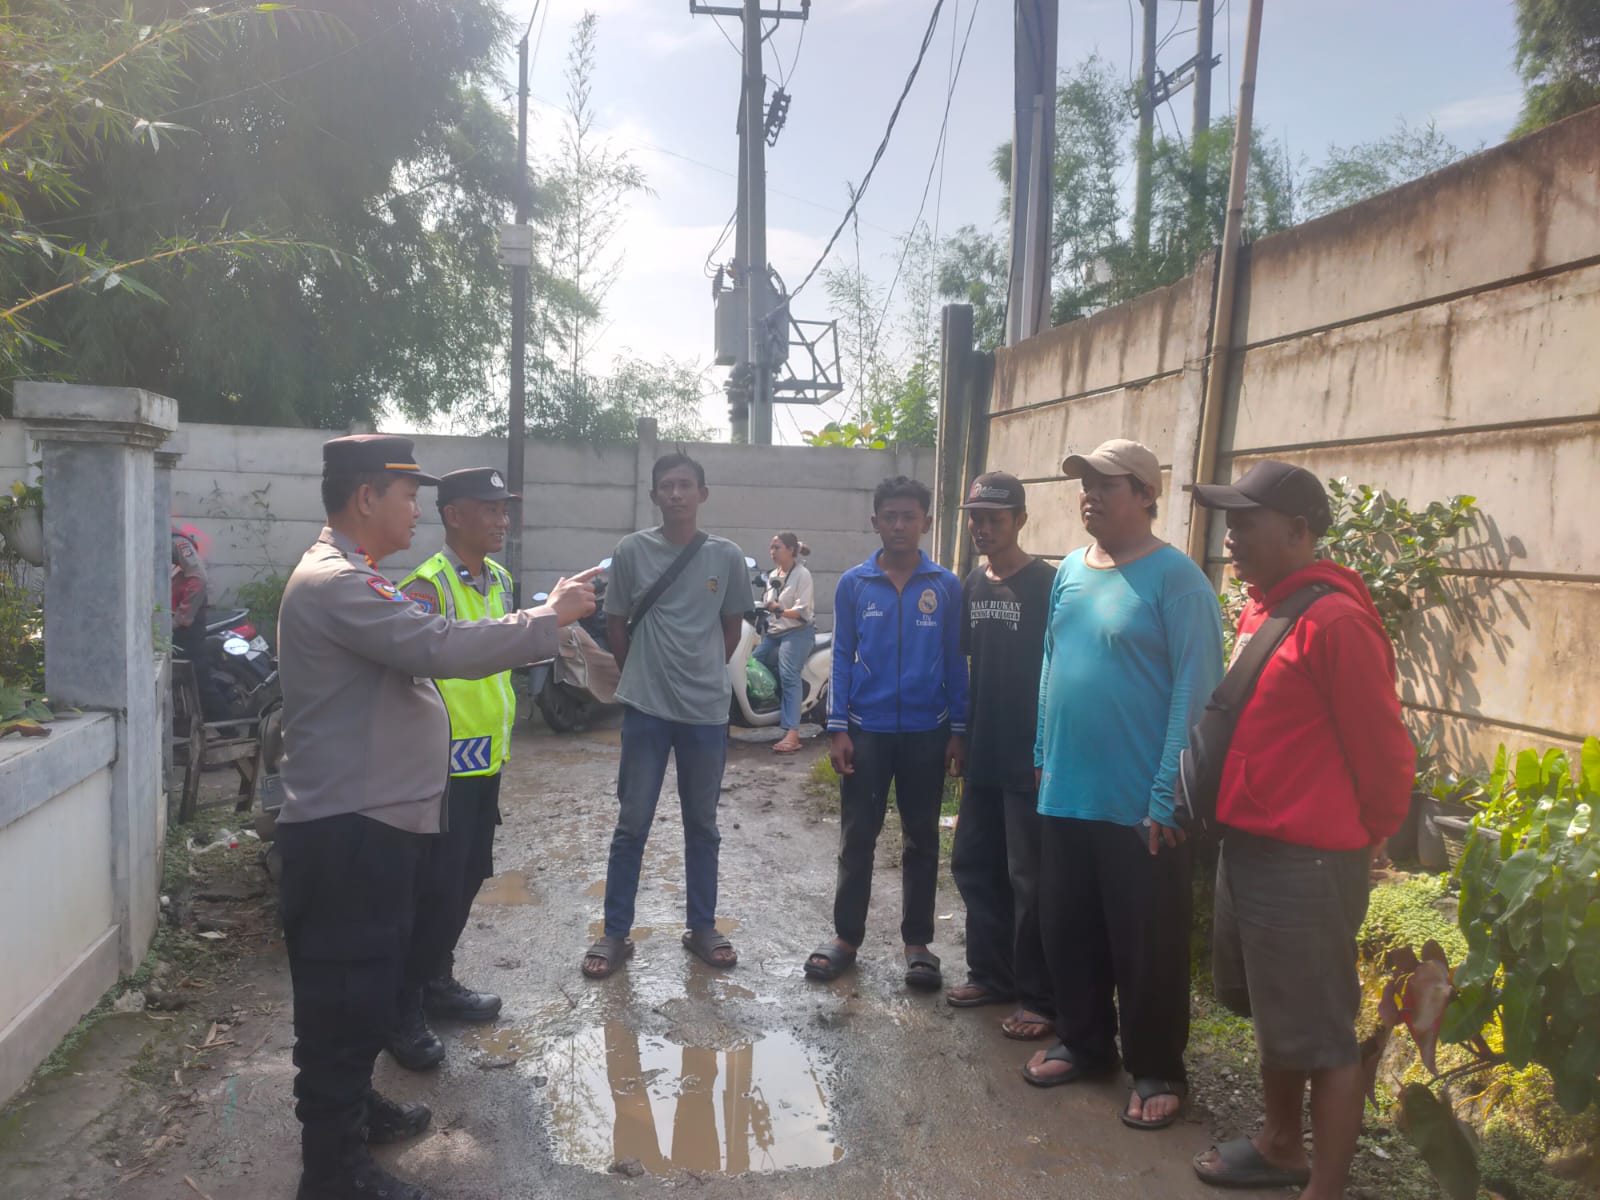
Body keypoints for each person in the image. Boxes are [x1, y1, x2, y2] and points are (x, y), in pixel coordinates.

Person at [275, 435, 597, 1200]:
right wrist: (547, 618)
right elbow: (438, 646)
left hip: (371, 823)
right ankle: (333, 1173)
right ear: (366, 498)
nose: (417, 510)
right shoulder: (336, 583)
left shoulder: (355, 577)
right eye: (408, 496)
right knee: (343, 996)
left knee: (364, 985)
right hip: (348, 830)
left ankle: (354, 1111)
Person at [1189, 462, 1413, 1195]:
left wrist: (1367, 834)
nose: (1230, 537)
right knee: (1275, 1011)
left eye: (1245, 523)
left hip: (1307, 861)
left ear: (1297, 530)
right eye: (1229, 522)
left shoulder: (1338, 623)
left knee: (1321, 1033)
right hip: (1251, 847)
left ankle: (1324, 1186)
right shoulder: (1264, 609)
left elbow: (1385, 752)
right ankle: (1281, 1144)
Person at [1024, 438, 1223, 1135]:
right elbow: (1052, 663)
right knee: (1068, 926)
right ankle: (1084, 1042)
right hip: (1067, 789)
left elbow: (1196, 693)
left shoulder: (1179, 581)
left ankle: (1157, 1067)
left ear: (1145, 493)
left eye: (1106, 484)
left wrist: (1168, 793)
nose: (1090, 495)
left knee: (1148, 944)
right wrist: (1043, 751)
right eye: (1085, 483)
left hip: (1141, 803)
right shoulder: (1070, 570)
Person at [581, 452, 751, 980]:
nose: (675, 494)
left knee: (703, 825)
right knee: (632, 823)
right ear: (654, 494)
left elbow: (732, 629)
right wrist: (644, 676)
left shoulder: (726, 557)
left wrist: (701, 672)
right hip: (647, 711)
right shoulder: (631, 551)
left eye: (684, 485)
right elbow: (615, 625)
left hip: (705, 713)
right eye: (666, 486)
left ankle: (702, 928)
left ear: (702, 493)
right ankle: (615, 933)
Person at [804, 476, 968, 992]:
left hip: (927, 731)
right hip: (867, 732)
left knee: (922, 838)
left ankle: (918, 945)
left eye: (909, 516)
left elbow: (956, 661)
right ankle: (845, 939)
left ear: (926, 522)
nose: (899, 525)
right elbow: (841, 656)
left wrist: (958, 730)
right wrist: (837, 728)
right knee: (858, 837)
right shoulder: (855, 584)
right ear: (875, 521)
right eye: (890, 516)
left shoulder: (945, 585)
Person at [380, 468, 520, 1073]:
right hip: (443, 767)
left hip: (487, 760)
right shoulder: (426, 588)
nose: (501, 520)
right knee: (433, 889)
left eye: (504, 509)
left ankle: (436, 980)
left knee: (467, 877)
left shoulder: (501, 581)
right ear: (454, 515)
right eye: (489, 509)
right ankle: (401, 1008)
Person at [944, 473, 1057, 1043]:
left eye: (995, 518)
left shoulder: (1047, 585)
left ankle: (1039, 998)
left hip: (1029, 757)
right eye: (976, 518)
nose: (983, 528)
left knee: (1028, 879)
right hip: (983, 751)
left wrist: (1048, 749)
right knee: (974, 864)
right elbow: (967, 667)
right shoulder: (972, 584)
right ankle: (992, 975)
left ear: (1020, 520)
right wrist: (960, 737)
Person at [753, 530, 816, 754]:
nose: (772, 551)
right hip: (774, 634)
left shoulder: (802, 574)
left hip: (798, 632)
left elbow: (802, 611)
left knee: (788, 673)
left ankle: (792, 732)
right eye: (771, 547)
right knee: (752, 665)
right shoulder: (773, 575)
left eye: (777, 547)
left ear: (790, 550)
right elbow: (767, 603)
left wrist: (780, 610)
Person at [170, 524, 227, 718]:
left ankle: (227, 728)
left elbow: (198, 579)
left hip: (186, 625)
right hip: (178, 620)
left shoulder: (175, 540)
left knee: (198, 677)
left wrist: (182, 617)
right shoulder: (159, 537)